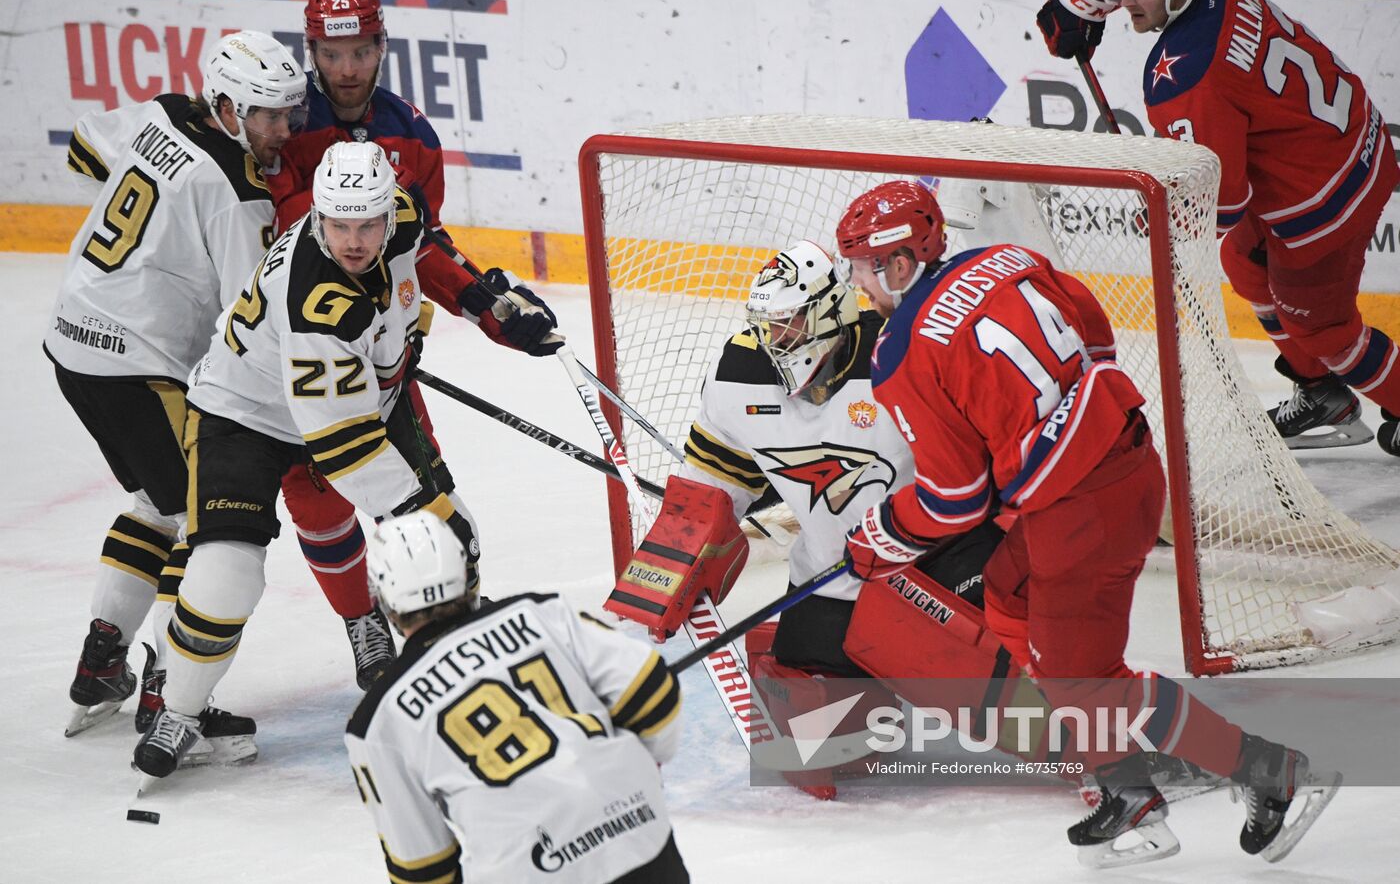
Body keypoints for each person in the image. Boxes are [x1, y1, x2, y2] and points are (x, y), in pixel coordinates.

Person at [834, 178, 1339, 866]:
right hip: (1124, 463)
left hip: (1082, 513)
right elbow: (1094, 334)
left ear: (898, 263)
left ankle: (1265, 770)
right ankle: (1123, 786)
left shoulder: (901, 356)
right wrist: (1054, 432)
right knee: (1012, 604)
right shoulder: (1006, 259)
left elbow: (955, 500)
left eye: (863, 266)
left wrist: (880, 537)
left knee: (1088, 680)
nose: (859, 284)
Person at [603, 237, 1006, 799]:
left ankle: (1126, 741)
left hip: (943, 562)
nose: (774, 340)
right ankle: (872, 671)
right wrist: (659, 589)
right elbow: (709, 495)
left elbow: (992, 468)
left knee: (1013, 708)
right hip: (830, 576)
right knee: (815, 748)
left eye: (788, 323)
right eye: (766, 325)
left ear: (832, 313)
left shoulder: (902, 353)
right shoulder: (740, 373)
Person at [132, 141, 480, 779]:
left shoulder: (397, 215)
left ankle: (462, 690)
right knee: (226, 575)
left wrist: (486, 297)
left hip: (351, 401)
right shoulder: (318, 300)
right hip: (245, 416)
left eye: (367, 224)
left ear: (387, 209)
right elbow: (343, 447)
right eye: (339, 225)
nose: (353, 239)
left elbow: (422, 249)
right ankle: (178, 709)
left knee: (455, 538)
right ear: (318, 214)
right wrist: (418, 507)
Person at [263, 0, 560, 692]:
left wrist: (488, 309)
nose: (346, 68)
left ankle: (444, 621)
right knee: (317, 496)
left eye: (360, 50)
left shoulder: (412, 137)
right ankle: (363, 622)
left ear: (381, 48)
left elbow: (417, 246)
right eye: (332, 53)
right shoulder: (281, 128)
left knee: (418, 501)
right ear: (312, 50)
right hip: (292, 349)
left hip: (384, 356)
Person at [1036, 0, 1400, 451]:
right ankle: (1321, 392)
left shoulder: (1187, 79)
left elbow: (1222, 206)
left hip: (1324, 199)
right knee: (1246, 263)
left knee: (1323, 328)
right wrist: (1094, 0)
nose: (1128, 0)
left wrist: (1163, 209)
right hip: (1351, 137)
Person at [48, 30, 307, 737]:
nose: (282, 131)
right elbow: (246, 319)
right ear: (225, 106)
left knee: (154, 504)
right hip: (143, 368)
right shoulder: (238, 197)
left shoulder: (161, 112)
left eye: (289, 113)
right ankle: (168, 694)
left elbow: (84, 148)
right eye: (267, 115)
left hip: (73, 343)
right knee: (207, 531)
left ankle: (102, 662)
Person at [347, 511, 688, 884]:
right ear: (463, 571)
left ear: (383, 599)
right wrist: (634, 774)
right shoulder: (540, 612)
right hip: (639, 838)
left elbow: (423, 868)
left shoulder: (376, 720)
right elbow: (655, 691)